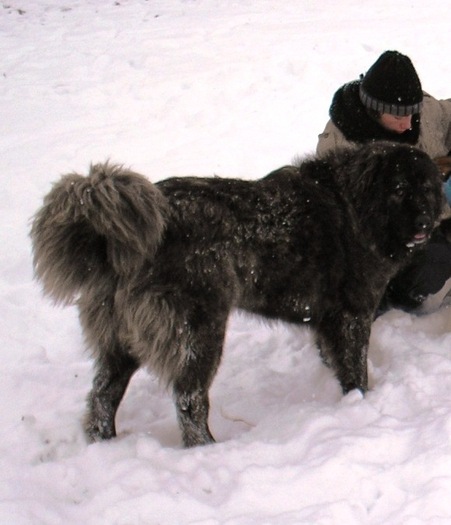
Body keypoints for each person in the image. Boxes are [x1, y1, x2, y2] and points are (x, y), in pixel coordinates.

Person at [316, 50, 451, 313]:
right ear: (375, 111)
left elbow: (447, 116)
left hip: (428, 212)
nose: (407, 123)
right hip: (379, 246)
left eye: (412, 114)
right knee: (435, 262)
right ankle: (401, 297)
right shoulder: (342, 149)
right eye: (398, 117)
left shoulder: (420, 112)